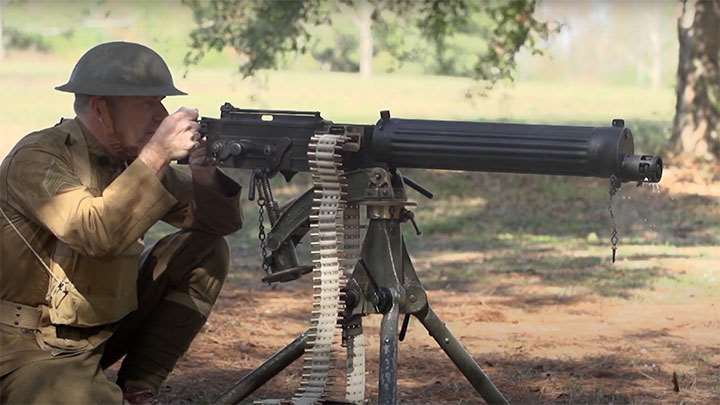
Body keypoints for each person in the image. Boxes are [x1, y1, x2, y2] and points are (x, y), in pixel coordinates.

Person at [0, 41, 243, 404]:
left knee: (206, 250)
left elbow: (218, 224)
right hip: (30, 346)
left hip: (100, 333)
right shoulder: (40, 157)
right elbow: (94, 234)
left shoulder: (131, 160)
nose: (161, 115)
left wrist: (204, 175)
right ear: (101, 108)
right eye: (148, 104)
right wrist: (157, 153)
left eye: (162, 102)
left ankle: (139, 388)